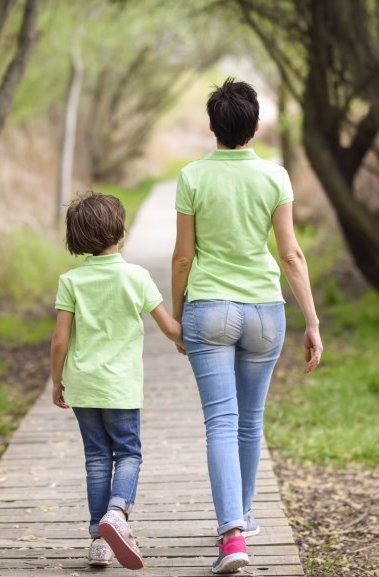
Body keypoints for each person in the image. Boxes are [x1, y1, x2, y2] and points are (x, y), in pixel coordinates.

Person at [171, 78, 323, 574]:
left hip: (209, 309)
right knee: (249, 420)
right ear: (255, 127)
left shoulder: (192, 177)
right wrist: (313, 322)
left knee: (221, 420)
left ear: (213, 127)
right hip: (264, 312)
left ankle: (232, 535)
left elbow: (183, 256)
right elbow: (291, 254)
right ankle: (245, 516)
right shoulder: (275, 176)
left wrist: (177, 313)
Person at [50, 192, 184, 570]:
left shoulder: (71, 281)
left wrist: (56, 382)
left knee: (96, 457)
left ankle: (98, 541)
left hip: (83, 385)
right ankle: (117, 513)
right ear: (121, 233)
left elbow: (60, 339)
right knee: (128, 453)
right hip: (121, 387)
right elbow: (170, 328)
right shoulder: (137, 277)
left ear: (77, 239)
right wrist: (189, 339)